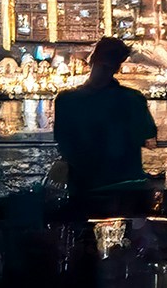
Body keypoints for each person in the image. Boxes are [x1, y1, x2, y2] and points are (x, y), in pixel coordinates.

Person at [53, 38, 157, 195]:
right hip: (127, 185)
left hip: (85, 186)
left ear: (92, 59)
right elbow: (148, 136)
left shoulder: (66, 100)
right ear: (118, 67)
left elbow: (62, 142)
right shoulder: (134, 99)